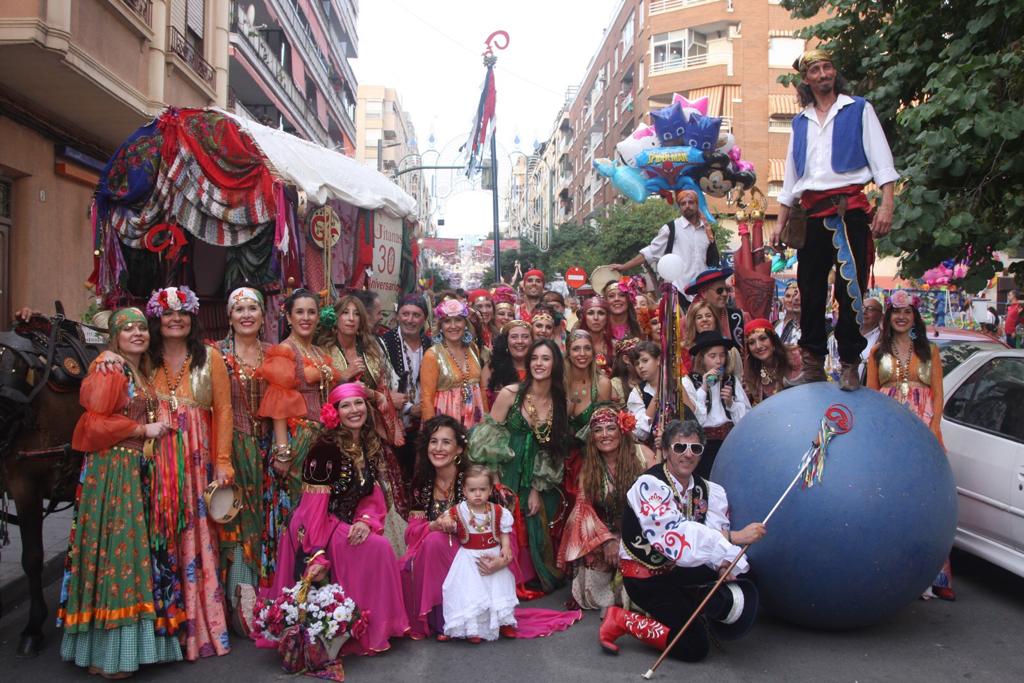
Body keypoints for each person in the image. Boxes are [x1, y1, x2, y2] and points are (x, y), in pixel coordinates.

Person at [58, 308, 181, 678]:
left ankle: (121, 649)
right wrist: (143, 431)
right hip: (113, 471)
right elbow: (94, 424)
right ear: (115, 336)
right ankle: (109, 653)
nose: (137, 333)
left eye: (142, 327)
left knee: (130, 551)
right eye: (128, 329)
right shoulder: (110, 367)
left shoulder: (135, 370)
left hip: (133, 469)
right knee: (118, 551)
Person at [772, 48, 899, 391]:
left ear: (834, 72)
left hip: (849, 212)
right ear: (806, 79)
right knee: (810, 292)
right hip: (811, 215)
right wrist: (780, 222)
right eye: (816, 70)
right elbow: (791, 178)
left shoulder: (858, 108)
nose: (823, 74)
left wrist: (886, 206)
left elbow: (883, 162)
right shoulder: (800, 122)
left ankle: (849, 363)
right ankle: (813, 363)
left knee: (851, 289)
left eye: (827, 67)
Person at [599, 420, 764, 662]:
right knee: (694, 648)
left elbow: (712, 532)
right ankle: (623, 620)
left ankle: (693, 607)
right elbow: (674, 536)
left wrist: (723, 564)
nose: (688, 454)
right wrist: (735, 537)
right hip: (647, 577)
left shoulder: (708, 490)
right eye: (679, 447)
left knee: (746, 574)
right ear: (666, 451)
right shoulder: (649, 485)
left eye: (695, 449)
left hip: (679, 570)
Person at [263, 382, 410, 654]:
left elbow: (370, 494)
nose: (354, 410)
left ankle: (375, 624)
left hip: (345, 521)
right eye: (346, 405)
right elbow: (313, 508)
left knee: (379, 546)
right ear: (335, 412)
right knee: (378, 548)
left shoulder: (365, 443)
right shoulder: (325, 449)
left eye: (358, 403)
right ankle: (362, 628)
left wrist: (365, 520)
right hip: (316, 526)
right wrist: (316, 554)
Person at [144, 286, 233, 661]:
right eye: (168, 313)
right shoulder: (144, 358)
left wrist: (223, 460)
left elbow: (224, 411)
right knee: (160, 530)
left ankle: (199, 627)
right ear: (157, 319)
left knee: (197, 534)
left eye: (182, 313)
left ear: (192, 318)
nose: (176, 319)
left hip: (197, 457)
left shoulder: (210, 358)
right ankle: (163, 632)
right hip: (156, 458)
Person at [865, 290, 953, 600]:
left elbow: (938, 395)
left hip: (924, 428)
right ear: (888, 318)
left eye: (907, 312)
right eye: (896, 312)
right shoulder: (877, 352)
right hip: (890, 431)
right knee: (892, 500)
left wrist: (933, 429)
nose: (901, 317)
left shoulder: (931, 351)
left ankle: (937, 576)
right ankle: (893, 574)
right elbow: (871, 397)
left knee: (929, 501)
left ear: (915, 317)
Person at [471, 339, 568, 594]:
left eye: (545, 358)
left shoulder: (559, 400)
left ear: (555, 364)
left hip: (539, 475)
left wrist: (536, 487)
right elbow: (488, 440)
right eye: (534, 358)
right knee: (506, 521)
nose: (539, 363)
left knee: (537, 513)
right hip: (506, 471)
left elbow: (553, 449)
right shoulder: (510, 394)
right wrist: (495, 484)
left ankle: (528, 571)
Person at [211, 288, 276, 618]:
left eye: (253, 308)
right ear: (229, 316)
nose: (246, 315)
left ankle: (268, 597)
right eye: (240, 309)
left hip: (268, 448)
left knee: (268, 519)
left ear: (263, 316)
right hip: (232, 446)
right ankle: (237, 601)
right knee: (233, 519)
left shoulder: (275, 353)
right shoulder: (215, 354)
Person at [320, 294, 409, 526]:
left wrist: (372, 394)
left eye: (356, 314)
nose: (351, 318)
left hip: (372, 433)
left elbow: (384, 391)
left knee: (378, 488)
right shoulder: (323, 352)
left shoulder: (371, 351)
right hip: (338, 434)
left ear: (362, 320)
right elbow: (319, 394)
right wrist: (344, 377)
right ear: (335, 318)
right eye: (345, 313)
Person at [558, 405, 656, 610]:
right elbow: (584, 508)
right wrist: (607, 540)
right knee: (577, 516)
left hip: (642, 531)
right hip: (608, 532)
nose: (605, 435)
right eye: (598, 430)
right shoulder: (589, 468)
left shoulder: (643, 455)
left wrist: (627, 540)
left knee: (639, 592)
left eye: (611, 428)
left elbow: (658, 501)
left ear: (621, 430)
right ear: (592, 437)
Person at [258, 289, 340, 504]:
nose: (306, 318)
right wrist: (283, 452)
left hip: (321, 437)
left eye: (311, 312)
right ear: (288, 317)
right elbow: (278, 404)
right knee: (297, 504)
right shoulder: (285, 350)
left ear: (318, 317)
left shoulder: (318, 352)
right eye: (300, 312)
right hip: (297, 438)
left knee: (319, 503)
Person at [437, 465, 519, 642]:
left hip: (493, 553)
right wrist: (447, 520)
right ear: (464, 491)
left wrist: (505, 547)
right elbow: (443, 518)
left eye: (482, 489)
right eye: (472, 490)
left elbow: (504, 532)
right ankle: (473, 628)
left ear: (490, 490)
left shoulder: (498, 511)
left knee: (497, 589)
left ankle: (503, 621)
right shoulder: (459, 510)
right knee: (471, 592)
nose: (477, 494)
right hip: (469, 558)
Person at [610, 190, 717, 301]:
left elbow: (712, 262)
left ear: (697, 204)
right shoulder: (671, 228)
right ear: (679, 207)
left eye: (690, 202)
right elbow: (650, 252)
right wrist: (624, 266)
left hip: (703, 294)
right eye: (683, 203)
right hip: (679, 294)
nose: (687, 206)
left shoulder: (708, 231)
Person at [681, 331, 750, 481]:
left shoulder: (731, 380)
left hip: (729, 442)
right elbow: (695, 419)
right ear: (701, 358)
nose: (718, 361)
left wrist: (731, 403)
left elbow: (746, 418)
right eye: (712, 356)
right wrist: (704, 388)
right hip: (704, 445)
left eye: (722, 355)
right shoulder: (688, 382)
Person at [381, 293, 432, 486]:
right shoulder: (384, 343)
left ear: (424, 319)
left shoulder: (431, 345)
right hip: (395, 425)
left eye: (416, 315)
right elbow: (376, 382)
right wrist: (409, 408)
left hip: (424, 424)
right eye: (405, 314)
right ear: (397, 316)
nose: (410, 320)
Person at [564, 330, 613, 516]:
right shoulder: (559, 382)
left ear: (593, 352)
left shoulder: (602, 384)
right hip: (560, 459)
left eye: (587, 348)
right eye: (576, 349)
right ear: (568, 353)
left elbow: (603, 426)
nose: (582, 354)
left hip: (590, 459)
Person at [420, 297, 487, 429]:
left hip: (475, 423)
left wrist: (487, 424)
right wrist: (433, 431)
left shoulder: (473, 348)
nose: (453, 326)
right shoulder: (432, 355)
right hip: (445, 424)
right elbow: (426, 399)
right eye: (447, 321)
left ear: (465, 324)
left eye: (458, 320)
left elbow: (481, 389)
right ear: (441, 326)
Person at [742, 318, 799, 406]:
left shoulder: (795, 357)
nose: (758, 346)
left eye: (763, 338)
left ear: (773, 340)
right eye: (752, 343)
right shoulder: (750, 365)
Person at [684, 268, 745, 348]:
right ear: (704, 293)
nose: (725, 294)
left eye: (727, 289)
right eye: (719, 290)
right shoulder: (687, 323)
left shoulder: (740, 316)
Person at [482, 321, 533, 406]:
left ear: (532, 341)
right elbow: (482, 404)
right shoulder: (492, 367)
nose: (520, 341)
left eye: (525, 337)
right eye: (514, 337)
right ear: (506, 341)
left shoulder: (538, 367)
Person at [626, 341, 662, 445]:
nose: (640, 366)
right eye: (637, 364)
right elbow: (640, 433)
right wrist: (659, 393)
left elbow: (698, 418)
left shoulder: (681, 383)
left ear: (658, 360)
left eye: (645, 360)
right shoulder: (637, 393)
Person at [575, 296, 614, 376]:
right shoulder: (574, 345)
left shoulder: (615, 345)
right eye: (590, 313)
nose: (596, 318)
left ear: (607, 317)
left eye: (601, 313)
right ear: (584, 317)